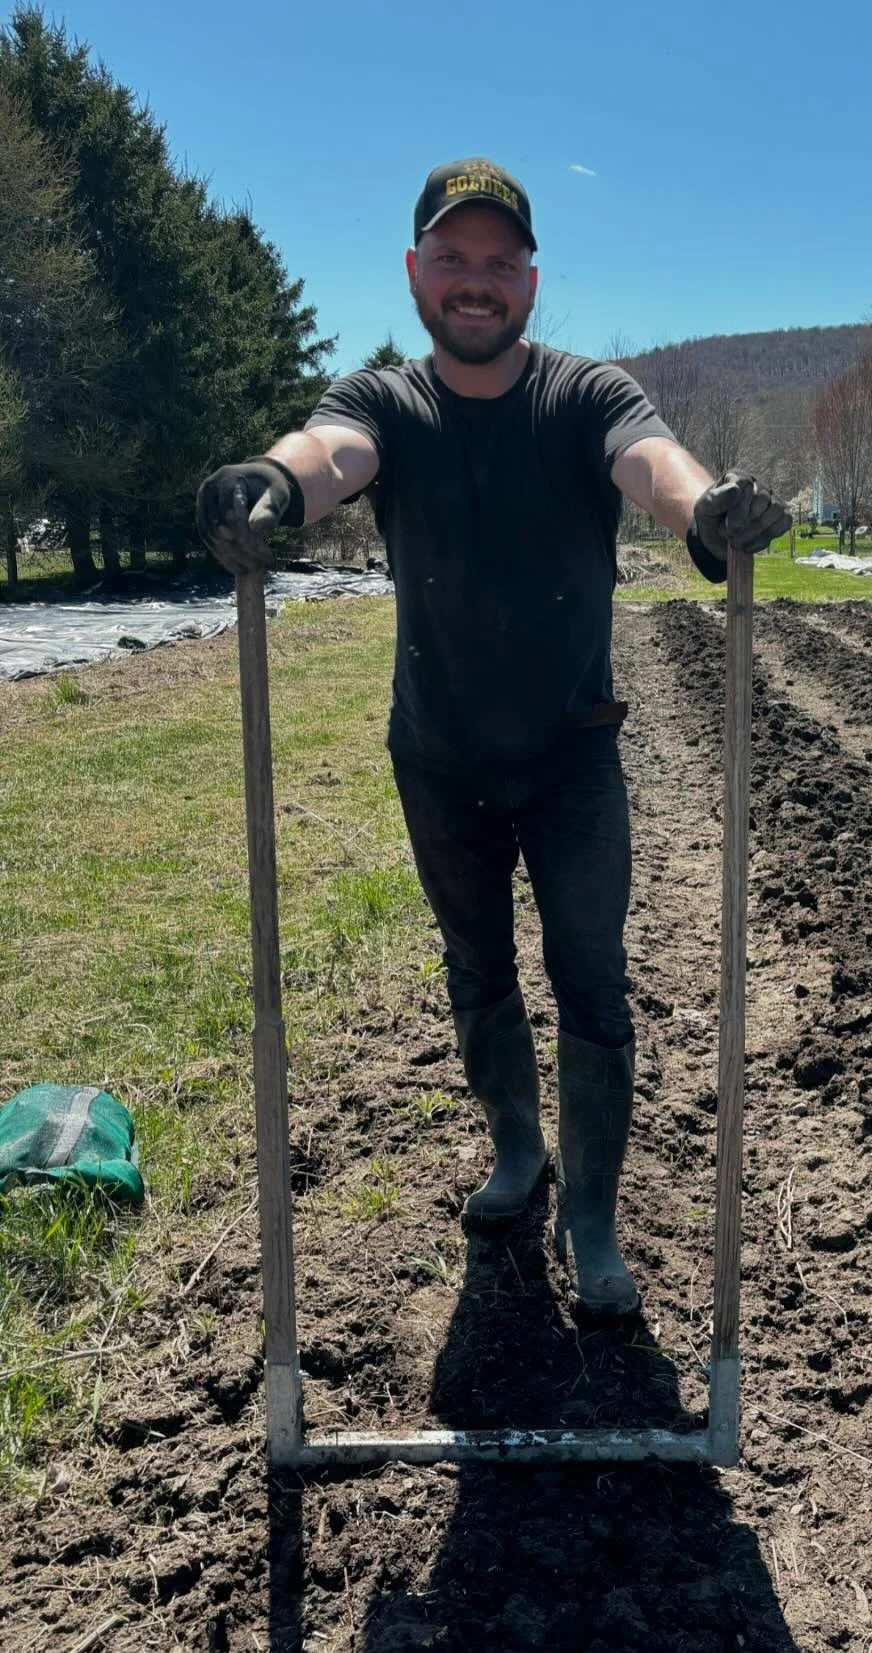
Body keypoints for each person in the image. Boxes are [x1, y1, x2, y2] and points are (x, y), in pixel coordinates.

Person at [196, 158, 790, 1319]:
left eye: (499, 264)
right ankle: (519, 1157)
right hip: (441, 757)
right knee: (479, 976)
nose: (477, 283)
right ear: (418, 272)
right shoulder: (388, 403)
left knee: (594, 986)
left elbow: (649, 459)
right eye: (454, 261)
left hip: (572, 758)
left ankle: (593, 1217)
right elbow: (330, 457)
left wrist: (705, 510)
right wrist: (268, 482)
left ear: (530, 279)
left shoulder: (583, 393)